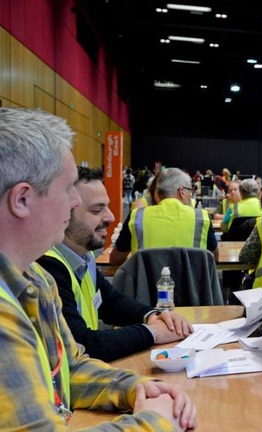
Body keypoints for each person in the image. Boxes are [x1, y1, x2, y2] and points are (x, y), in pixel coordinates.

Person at [0, 107, 197, 429]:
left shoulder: (35, 277)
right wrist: (155, 422)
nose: (74, 203)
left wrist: (134, 388)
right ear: (21, 200)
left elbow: (69, 366)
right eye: (67, 189)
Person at [37, 167, 193, 362]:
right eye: (97, 209)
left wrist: (152, 315)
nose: (110, 216)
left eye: (107, 206)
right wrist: (152, 332)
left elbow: (110, 302)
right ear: (63, 214)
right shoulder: (47, 268)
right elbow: (84, 344)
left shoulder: (82, 257)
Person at [110, 167, 218, 265]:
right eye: (190, 191)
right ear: (181, 191)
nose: (191, 196)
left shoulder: (137, 217)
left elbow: (115, 259)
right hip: (191, 286)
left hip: (146, 286)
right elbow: (214, 258)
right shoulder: (201, 218)